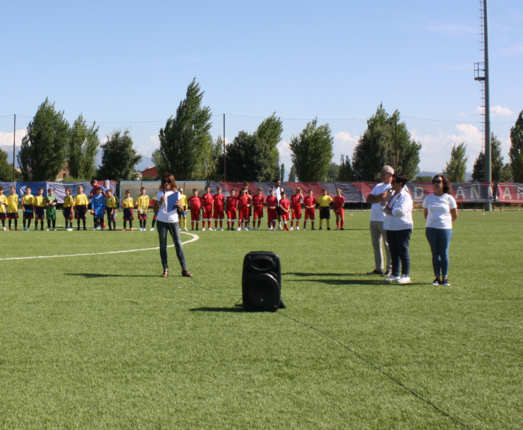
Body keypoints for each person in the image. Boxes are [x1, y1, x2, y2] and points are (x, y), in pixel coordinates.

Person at [153, 173, 192, 278]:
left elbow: (182, 210)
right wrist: (160, 202)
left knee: (178, 244)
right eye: (165, 181)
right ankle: (165, 269)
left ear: (172, 182)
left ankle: (184, 269)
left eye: (168, 181)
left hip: (174, 221)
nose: (166, 183)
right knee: (162, 245)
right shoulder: (159, 193)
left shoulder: (177, 194)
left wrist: (180, 206)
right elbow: (154, 209)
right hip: (161, 221)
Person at [422, 175, 458, 286]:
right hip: (431, 228)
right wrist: (433, 222)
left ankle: (445, 278)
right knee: (435, 253)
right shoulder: (428, 198)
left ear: (443, 183)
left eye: (439, 181)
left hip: (445, 229)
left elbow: (455, 215)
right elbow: (425, 214)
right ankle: (436, 277)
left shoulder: (449, 198)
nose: (436, 183)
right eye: (434, 181)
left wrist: (445, 222)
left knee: (444, 253)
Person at [380, 172, 413, 284]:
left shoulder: (405, 196)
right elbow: (383, 207)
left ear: (400, 184)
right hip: (391, 226)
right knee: (393, 251)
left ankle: (405, 274)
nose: (391, 184)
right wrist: (388, 202)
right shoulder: (393, 196)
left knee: (402, 250)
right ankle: (395, 273)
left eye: (393, 182)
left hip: (402, 226)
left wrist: (389, 211)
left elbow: (400, 211)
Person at [366, 166, 394, 276]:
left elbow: (384, 197)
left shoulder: (392, 186)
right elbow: (368, 199)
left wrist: (376, 198)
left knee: (388, 245)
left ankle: (390, 268)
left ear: (390, 174)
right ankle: (379, 268)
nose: (381, 175)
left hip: (385, 219)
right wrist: (379, 197)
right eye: (381, 173)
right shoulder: (378, 186)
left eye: (384, 173)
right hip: (374, 218)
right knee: (376, 245)